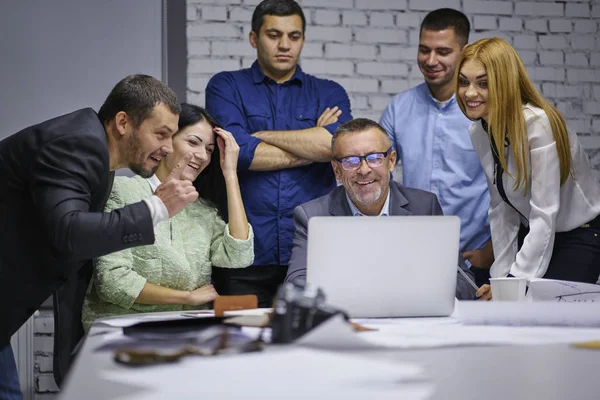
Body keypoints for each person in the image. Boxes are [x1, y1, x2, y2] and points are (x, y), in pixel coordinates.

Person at [0, 74, 199, 398]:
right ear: (123, 122)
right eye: (161, 134)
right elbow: (70, 232)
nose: (167, 148)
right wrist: (156, 209)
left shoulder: (97, 154)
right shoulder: (76, 144)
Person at [205, 0, 352, 307]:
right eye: (274, 35)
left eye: (294, 36)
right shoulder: (226, 86)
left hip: (312, 252)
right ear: (253, 38)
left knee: (309, 346)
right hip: (244, 253)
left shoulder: (329, 92)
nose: (285, 45)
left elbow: (337, 148)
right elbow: (241, 154)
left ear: (303, 39)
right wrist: (314, 144)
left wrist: (261, 136)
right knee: (240, 342)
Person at [82, 104, 254, 329]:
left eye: (210, 149)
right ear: (167, 141)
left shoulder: (204, 210)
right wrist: (186, 298)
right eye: (193, 142)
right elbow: (113, 282)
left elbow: (239, 256)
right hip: (124, 332)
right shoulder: (123, 191)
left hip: (187, 334)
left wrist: (230, 172)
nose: (202, 156)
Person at [456, 37, 600, 294]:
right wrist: (500, 279)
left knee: (544, 317)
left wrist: (514, 283)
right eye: (464, 81)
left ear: (504, 83)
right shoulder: (478, 130)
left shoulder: (539, 124)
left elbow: (545, 213)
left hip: (578, 234)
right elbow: (502, 209)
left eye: (483, 83)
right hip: (534, 232)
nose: (469, 93)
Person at [285, 118, 477, 300]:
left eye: (375, 158)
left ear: (391, 161)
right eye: (351, 161)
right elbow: (296, 286)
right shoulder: (312, 216)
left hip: (411, 322)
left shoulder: (424, 206)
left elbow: (464, 284)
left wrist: (401, 294)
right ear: (337, 170)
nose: (364, 170)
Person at [379, 8, 493, 287]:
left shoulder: (486, 110)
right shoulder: (399, 107)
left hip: (478, 256)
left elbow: (512, 184)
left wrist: (492, 250)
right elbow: (379, 176)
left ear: (464, 51)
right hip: (415, 255)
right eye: (424, 50)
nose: (430, 61)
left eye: (442, 52)